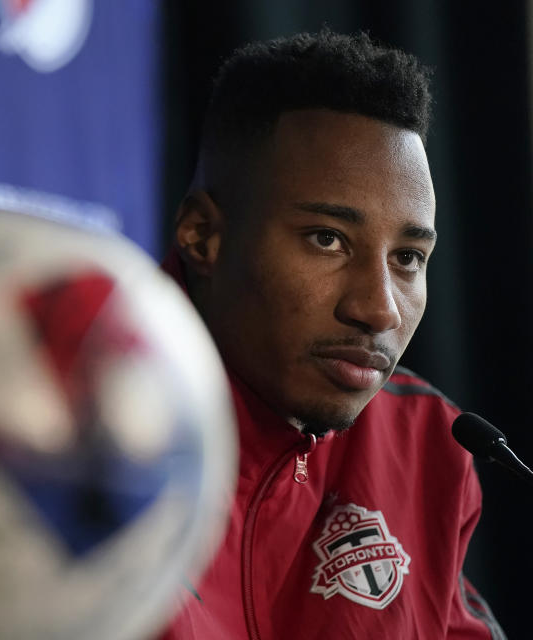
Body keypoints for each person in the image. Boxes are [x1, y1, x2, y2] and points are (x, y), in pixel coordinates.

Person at [158, 31, 506, 639]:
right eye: (327, 239)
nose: (378, 310)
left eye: (407, 259)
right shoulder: (68, 425)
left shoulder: (429, 449)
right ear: (201, 235)